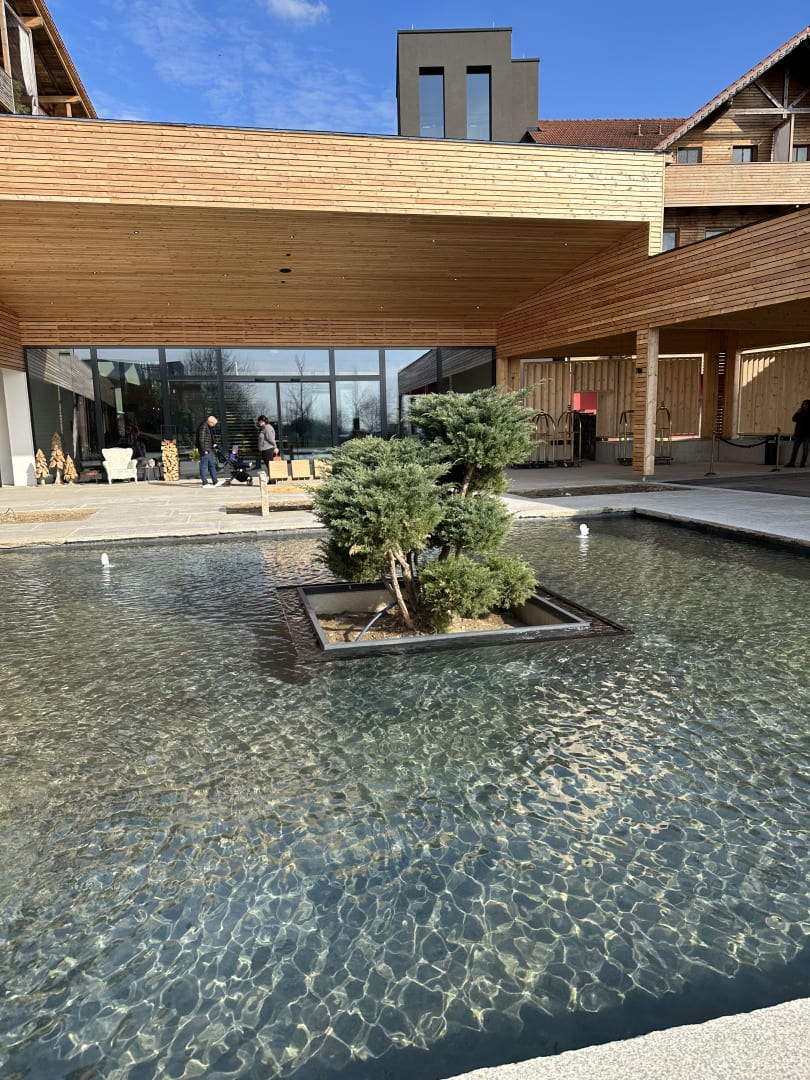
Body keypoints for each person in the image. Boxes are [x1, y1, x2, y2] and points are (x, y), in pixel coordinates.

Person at [196, 414, 224, 487]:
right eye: (214, 424)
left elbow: (209, 438)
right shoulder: (203, 427)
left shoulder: (208, 427)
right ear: (211, 422)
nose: (214, 425)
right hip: (205, 450)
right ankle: (205, 483)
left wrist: (213, 444)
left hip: (209, 449)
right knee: (204, 466)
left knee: (212, 465)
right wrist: (203, 449)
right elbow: (201, 439)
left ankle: (215, 481)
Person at [786, 399, 810, 467]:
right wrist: (797, 412)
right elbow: (794, 419)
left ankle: (803, 462)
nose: (804, 405)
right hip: (798, 433)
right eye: (803, 404)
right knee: (795, 449)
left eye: (806, 404)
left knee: (805, 450)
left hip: (807, 434)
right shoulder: (800, 411)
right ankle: (792, 463)